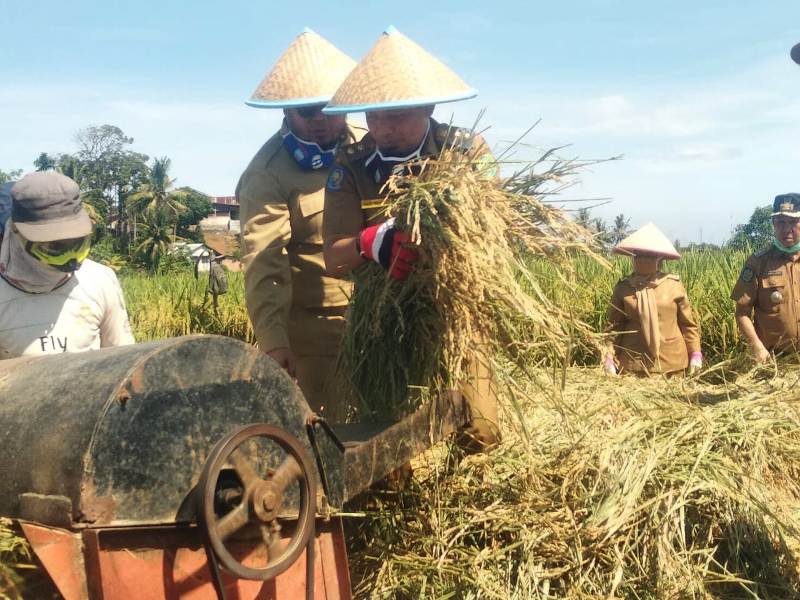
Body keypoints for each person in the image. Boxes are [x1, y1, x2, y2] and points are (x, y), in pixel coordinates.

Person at [322, 27, 498, 450]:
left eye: (397, 114)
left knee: (481, 429)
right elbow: (334, 257)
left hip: (457, 313)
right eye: (374, 115)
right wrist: (372, 243)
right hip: (383, 321)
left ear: (428, 107)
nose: (382, 127)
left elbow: (495, 230)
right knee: (390, 441)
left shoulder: (465, 153)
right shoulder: (352, 168)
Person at [236, 28, 363, 422]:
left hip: (377, 319)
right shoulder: (267, 174)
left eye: (331, 108)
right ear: (287, 111)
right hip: (315, 332)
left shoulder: (369, 146)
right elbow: (265, 262)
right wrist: (274, 344)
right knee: (336, 439)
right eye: (308, 112)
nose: (321, 121)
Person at [0, 171, 135, 359]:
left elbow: (123, 359)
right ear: (16, 231)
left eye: (76, 244)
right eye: (53, 248)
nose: (70, 262)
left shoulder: (101, 281)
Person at [604, 223, 702, 376]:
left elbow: (688, 325)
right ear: (633, 257)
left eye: (649, 255)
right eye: (639, 255)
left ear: (658, 258)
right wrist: (608, 355)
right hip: (632, 365)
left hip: (672, 365)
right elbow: (613, 328)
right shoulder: (624, 288)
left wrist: (695, 353)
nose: (643, 260)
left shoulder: (673, 285)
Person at [732, 193, 800, 362]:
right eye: (781, 222)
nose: (786, 229)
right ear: (773, 224)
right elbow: (742, 312)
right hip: (774, 362)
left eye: (793, 222)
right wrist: (757, 346)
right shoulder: (758, 262)